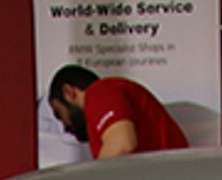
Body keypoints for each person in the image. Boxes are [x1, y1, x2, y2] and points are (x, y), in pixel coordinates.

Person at [48, 64, 189, 159]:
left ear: (68, 92)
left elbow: (122, 144)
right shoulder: (109, 94)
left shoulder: (99, 91)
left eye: (59, 114)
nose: (65, 127)